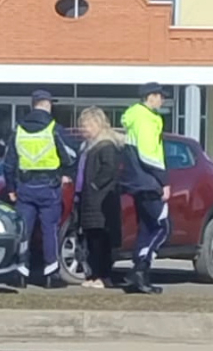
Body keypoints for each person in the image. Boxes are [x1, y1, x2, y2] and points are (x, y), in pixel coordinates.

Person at [4, 89, 76, 289]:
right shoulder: (54, 128)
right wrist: (66, 173)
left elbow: (9, 163)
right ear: (48, 105)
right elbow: (70, 156)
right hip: (49, 187)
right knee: (49, 231)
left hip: (25, 187)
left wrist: (11, 187)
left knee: (24, 231)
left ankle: (20, 273)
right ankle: (51, 274)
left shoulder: (18, 129)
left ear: (32, 105)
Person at [119, 82, 171, 295]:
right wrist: (164, 181)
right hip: (148, 181)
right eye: (161, 96)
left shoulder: (134, 116)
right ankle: (140, 269)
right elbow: (149, 154)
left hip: (137, 181)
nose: (163, 100)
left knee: (147, 227)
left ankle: (139, 275)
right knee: (162, 227)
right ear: (151, 97)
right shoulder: (146, 119)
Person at [75, 107, 123, 289]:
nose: (83, 129)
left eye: (86, 125)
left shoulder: (106, 145)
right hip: (88, 200)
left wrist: (94, 186)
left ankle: (103, 276)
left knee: (101, 240)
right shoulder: (88, 147)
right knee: (90, 240)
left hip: (100, 201)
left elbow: (109, 169)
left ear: (97, 124)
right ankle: (93, 275)